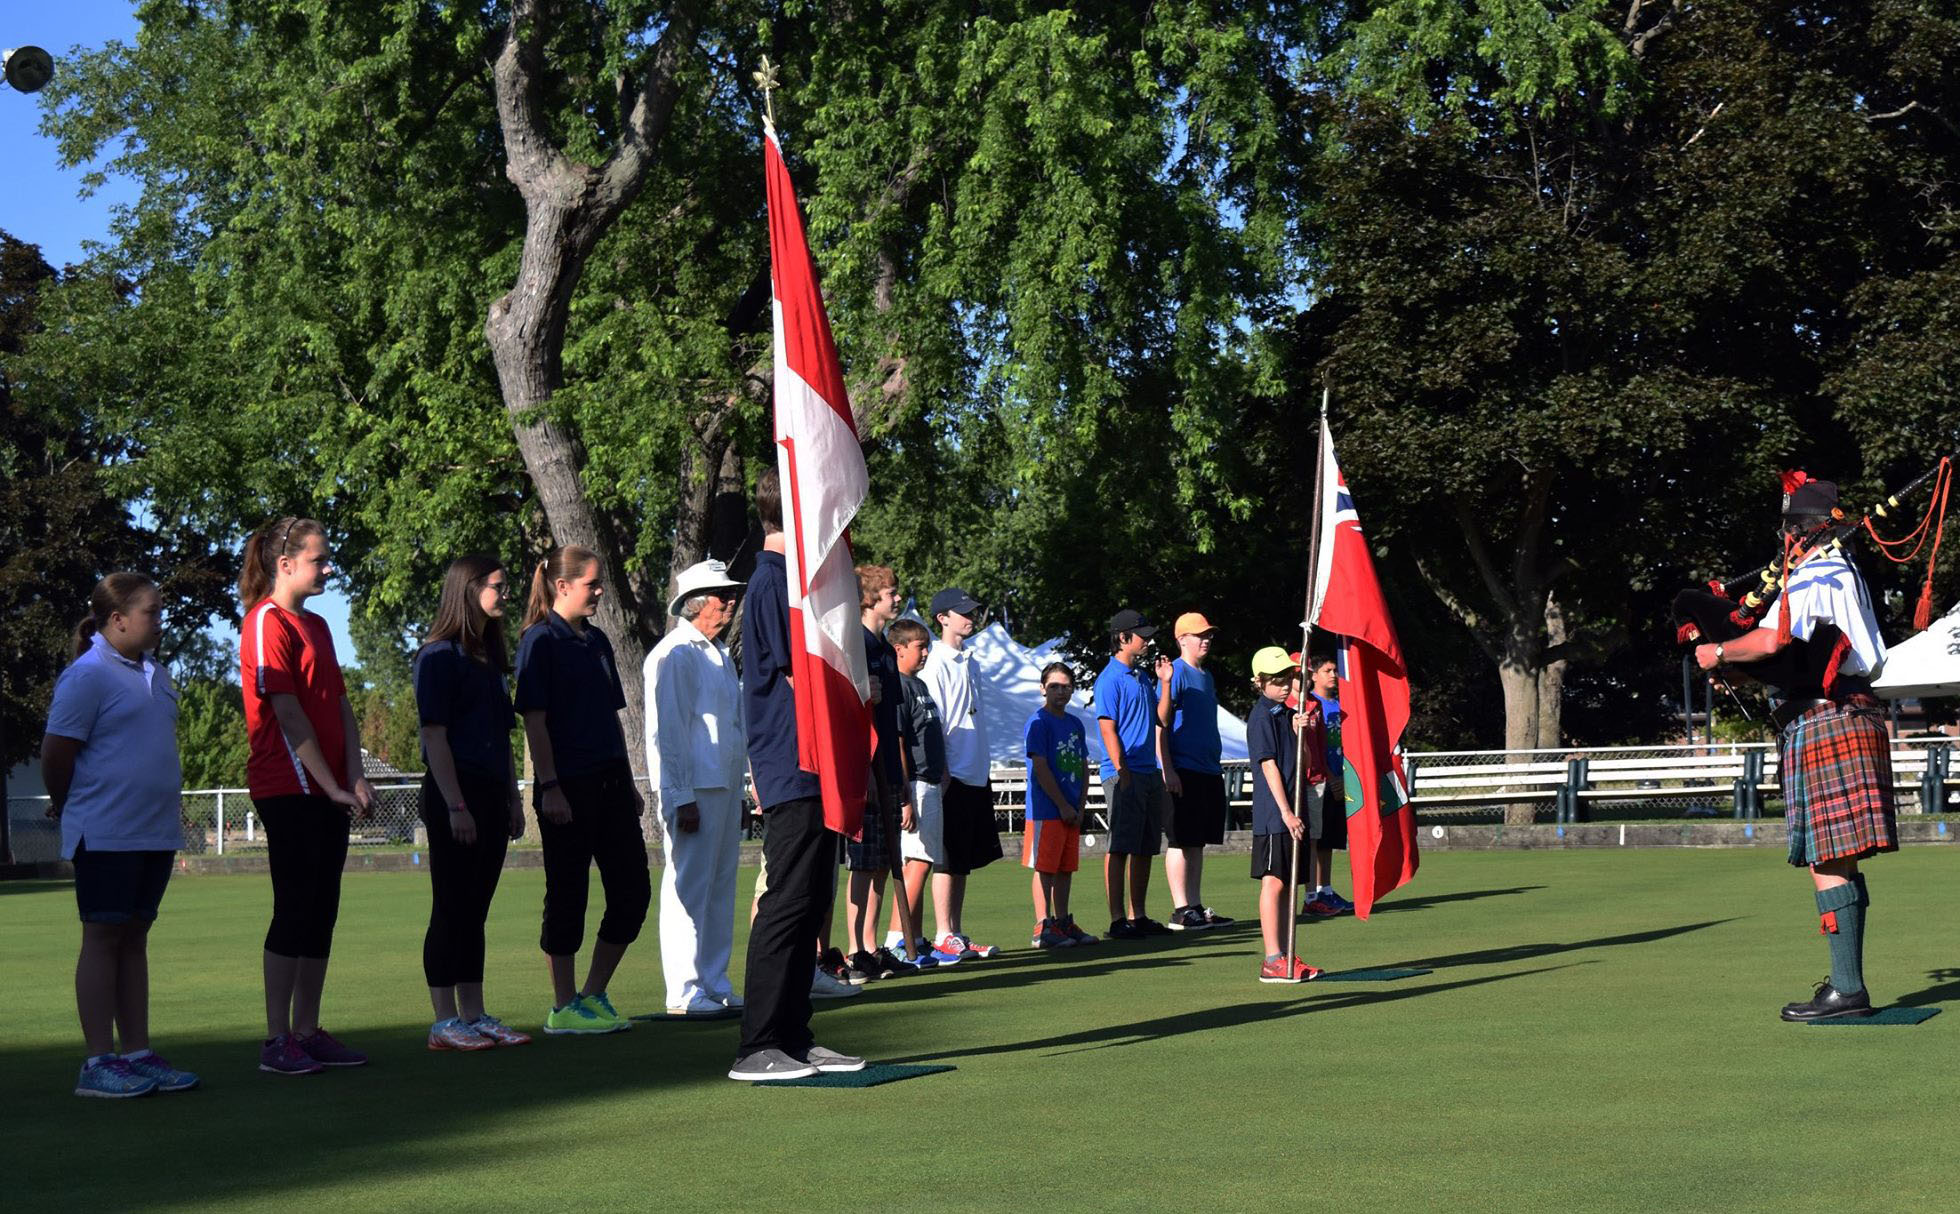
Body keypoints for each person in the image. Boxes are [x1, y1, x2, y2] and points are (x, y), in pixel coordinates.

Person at [1695, 477, 1895, 1021]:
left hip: (1828, 718)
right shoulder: (1834, 570)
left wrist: (1717, 652)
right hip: (1841, 713)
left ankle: (1848, 991)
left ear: (1798, 532)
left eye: (1787, 531)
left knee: (1827, 859)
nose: (1784, 542)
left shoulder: (1819, 571)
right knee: (1837, 860)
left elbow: (1772, 640)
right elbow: (1797, 657)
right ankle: (1847, 984)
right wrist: (1739, 667)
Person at [729, 467, 867, 1082]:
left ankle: (793, 1035)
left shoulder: (786, 582)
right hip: (793, 764)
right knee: (787, 902)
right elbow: (799, 678)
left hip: (814, 765)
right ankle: (758, 1043)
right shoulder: (771, 585)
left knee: (810, 902)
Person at [42, 573, 201, 1098]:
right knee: (103, 938)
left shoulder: (156, 673)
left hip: (152, 831)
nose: (160, 620)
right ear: (118, 619)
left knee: (134, 940)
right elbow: (56, 753)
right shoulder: (87, 676)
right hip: (105, 832)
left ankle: (136, 1053)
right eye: (151, 612)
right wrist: (70, 809)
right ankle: (96, 1062)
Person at [239, 517, 376, 1076]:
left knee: (322, 912)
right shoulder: (265, 622)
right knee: (294, 910)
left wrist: (357, 773)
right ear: (285, 564)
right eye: (318, 559)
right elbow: (288, 713)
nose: (327, 568)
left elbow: (339, 705)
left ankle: (307, 1030)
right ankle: (277, 1040)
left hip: (325, 787)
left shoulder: (317, 625)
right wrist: (331, 784)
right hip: (288, 787)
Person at [513, 544, 651, 1035]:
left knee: (633, 892)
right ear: (562, 586)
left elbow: (612, 716)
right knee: (568, 895)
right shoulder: (539, 641)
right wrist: (549, 786)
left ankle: (592, 994)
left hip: (612, 783)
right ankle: (563, 1006)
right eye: (591, 584)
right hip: (567, 787)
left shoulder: (597, 641)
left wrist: (628, 776)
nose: (599, 592)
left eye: (600, 584)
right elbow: (535, 721)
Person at [413, 556, 532, 1050]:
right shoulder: (437, 656)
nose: (506, 594)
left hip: (488, 795)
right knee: (451, 905)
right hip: (453, 794)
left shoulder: (488, 659)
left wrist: (512, 799)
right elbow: (434, 737)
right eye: (497, 586)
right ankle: (444, 1022)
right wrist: (456, 805)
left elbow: (504, 739)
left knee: (476, 908)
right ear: (470, 589)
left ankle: (475, 1014)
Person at [645, 559, 748, 1018]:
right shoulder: (675, 654)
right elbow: (669, 734)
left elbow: (732, 726)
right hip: (695, 788)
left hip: (723, 783)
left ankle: (713, 981)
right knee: (688, 886)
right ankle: (683, 990)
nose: (730, 602)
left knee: (720, 885)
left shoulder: (718, 653)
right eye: (722, 596)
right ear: (696, 604)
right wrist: (679, 795)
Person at [842, 565, 932, 979]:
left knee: (882, 862)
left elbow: (893, 720)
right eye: (890, 593)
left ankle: (873, 945)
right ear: (870, 599)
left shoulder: (882, 648)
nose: (897, 599)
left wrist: (900, 784)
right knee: (863, 863)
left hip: (888, 770)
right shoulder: (854, 644)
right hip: (863, 769)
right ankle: (856, 948)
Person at [918, 587, 1004, 961]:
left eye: (971, 611)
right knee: (947, 856)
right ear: (942, 618)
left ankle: (955, 930)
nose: (970, 617)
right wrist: (944, 769)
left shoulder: (972, 661)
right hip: (951, 773)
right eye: (961, 612)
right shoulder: (935, 662)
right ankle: (942, 933)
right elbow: (934, 720)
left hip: (975, 771)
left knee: (963, 859)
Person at [1245, 647, 1325, 983]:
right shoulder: (1262, 717)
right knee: (1274, 882)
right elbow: (1268, 767)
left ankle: (1285, 954)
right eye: (1276, 680)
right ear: (1259, 682)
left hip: (1293, 810)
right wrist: (1287, 812)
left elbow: (1303, 764)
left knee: (1290, 883)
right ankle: (1272, 958)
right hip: (1274, 813)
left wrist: (1299, 733)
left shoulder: (1285, 715)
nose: (1284, 685)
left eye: (1288, 678)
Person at [1093, 608, 1173, 939]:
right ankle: (1116, 920)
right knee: (1121, 846)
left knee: (1145, 846)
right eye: (1142, 635)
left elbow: (1162, 719)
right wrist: (1122, 769)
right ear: (1123, 638)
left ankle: (1137, 915)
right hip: (1122, 772)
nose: (1148, 640)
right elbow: (1107, 729)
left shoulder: (1141, 677)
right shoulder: (1109, 679)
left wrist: (1166, 683)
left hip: (1147, 772)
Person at [884, 616, 957, 964]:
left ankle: (916, 937)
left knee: (924, 863)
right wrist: (904, 797)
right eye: (920, 647)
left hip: (930, 782)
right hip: (914, 786)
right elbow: (897, 742)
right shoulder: (897, 686)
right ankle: (897, 940)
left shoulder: (920, 685)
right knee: (916, 864)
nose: (926, 652)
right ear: (898, 649)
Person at [1162, 612, 1234, 931]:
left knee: (1197, 842)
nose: (1206, 639)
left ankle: (1194, 905)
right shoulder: (1174, 673)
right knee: (1180, 840)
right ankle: (1180, 909)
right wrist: (1168, 769)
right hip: (1183, 767)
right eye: (1199, 634)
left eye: (1208, 634)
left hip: (1207, 768)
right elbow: (1160, 725)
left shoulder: (1205, 676)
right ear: (1182, 639)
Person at [1024, 662, 1098, 948]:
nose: (1060, 691)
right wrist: (1062, 805)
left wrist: (1079, 806)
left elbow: (1082, 766)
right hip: (1046, 809)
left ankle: (1062, 921)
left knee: (1066, 867)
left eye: (1066, 686)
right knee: (1045, 867)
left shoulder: (1075, 723)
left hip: (1071, 808)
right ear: (1043, 688)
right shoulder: (1038, 722)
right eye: (1054, 686)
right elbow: (1040, 767)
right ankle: (1043, 925)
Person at [1300, 654, 1355, 919]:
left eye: (1335, 670)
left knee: (1330, 839)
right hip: (1323, 779)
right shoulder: (1311, 704)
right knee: (1317, 838)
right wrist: (1331, 775)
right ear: (1313, 675)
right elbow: (1315, 746)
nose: (1333, 675)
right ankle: (1313, 894)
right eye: (1327, 670)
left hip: (1342, 778)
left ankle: (1326, 888)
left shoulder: (1340, 705)